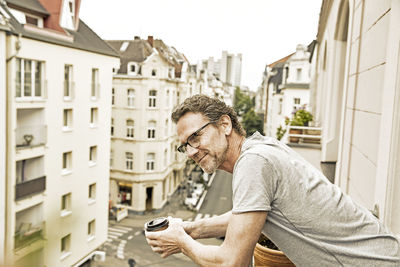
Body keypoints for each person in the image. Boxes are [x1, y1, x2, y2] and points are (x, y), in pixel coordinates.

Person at [145, 94, 400, 266]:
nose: (190, 152)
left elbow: (233, 262)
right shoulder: (260, 147)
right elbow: (249, 215)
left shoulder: (254, 163)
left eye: (195, 138)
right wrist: (193, 229)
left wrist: (181, 242)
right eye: (184, 146)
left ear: (224, 124)